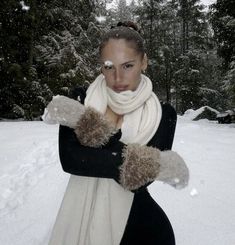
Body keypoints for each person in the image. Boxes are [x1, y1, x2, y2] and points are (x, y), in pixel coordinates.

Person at [43, 21, 189, 245]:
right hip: (80, 221)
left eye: (127, 66)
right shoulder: (82, 97)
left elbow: (139, 182)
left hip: (144, 231)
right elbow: (71, 160)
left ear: (144, 62)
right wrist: (145, 161)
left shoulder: (163, 113)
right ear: (101, 67)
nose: (118, 78)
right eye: (109, 66)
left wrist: (90, 126)